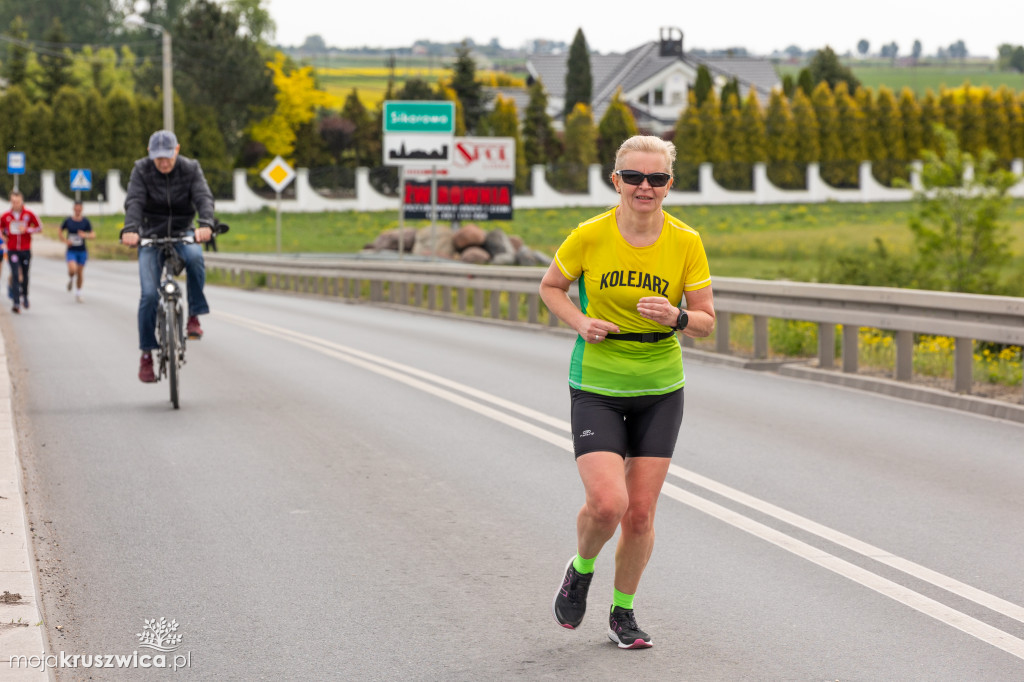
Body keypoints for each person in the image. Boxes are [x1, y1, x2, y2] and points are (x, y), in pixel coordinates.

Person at [539, 135, 716, 649]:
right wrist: (580, 321)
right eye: (634, 177)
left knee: (640, 513)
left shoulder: (686, 241)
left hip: (660, 388)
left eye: (656, 179)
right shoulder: (589, 235)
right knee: (607, 504)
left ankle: (623, 613)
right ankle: (580, 569)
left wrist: (678, 316)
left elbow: (705, 321)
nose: (645, 187)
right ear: (616, 181)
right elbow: (551, 286)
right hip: (597, 383)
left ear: (669, 185)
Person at [120, 130, 215, 383]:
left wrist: (205, 223)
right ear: (150, 155)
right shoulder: (141, 170)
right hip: (150, 234)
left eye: (167, 157)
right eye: (157, 158)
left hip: (183, 231)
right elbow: (135, 201)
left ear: (177, 150)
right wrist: (131, 229)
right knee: (149, 294)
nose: (163, 163)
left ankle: (194, 317)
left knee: (195, 257)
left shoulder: (191, 168)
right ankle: (147, 355)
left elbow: (203, 197)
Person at [0, 190, 42, 313]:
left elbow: (39, 227)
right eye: (13, 202)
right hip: (12, 249)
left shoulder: (29, 214)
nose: (15, 204)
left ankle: (25, 295)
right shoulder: (6, 215)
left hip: (25, 249)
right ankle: (16, 303)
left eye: (17, 201)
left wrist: (27, 229)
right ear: (10, 202)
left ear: (21, 201)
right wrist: (3, 235)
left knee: (24, 275)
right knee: (15, 274)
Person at [60, 201, 95, 302]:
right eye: (76, 208)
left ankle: (78, 292)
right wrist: (65, 241)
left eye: (79, 209)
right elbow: (60, 230)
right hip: (71, 250)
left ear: (82, 209)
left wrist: (85, 235)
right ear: (73, 209)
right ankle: (71, 278)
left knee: (79, 272)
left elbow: (93, 235)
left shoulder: (85, 222)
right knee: (72, 269)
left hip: (82, 251)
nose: (78, 210)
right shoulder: (68, 221)